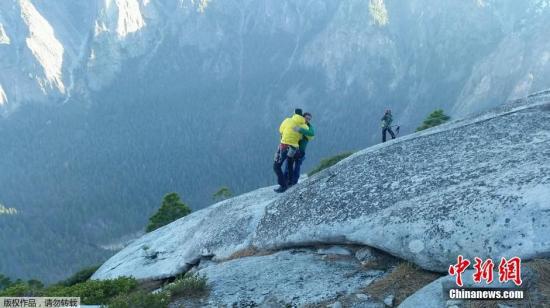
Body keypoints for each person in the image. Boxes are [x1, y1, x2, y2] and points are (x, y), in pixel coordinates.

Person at [273, 108, 308, 193]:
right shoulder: (304, 125)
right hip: (294, 148)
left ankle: (283, 185)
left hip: (284, 146)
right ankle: (291, 183)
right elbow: (305, 136)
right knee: (289, 165)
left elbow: (280, 130)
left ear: (294, 113)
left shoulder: (287, 120)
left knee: (276, 166)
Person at [284, 112, 314, 186]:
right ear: (302, 117)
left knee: (297, 166)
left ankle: (294, 183)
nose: (307, 120)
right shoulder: (298, 123)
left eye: (309, 119)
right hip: (293, 147)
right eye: (306, 118)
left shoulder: (309, 126)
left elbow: (312, 134)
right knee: (288, 166)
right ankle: (285, 182)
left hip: (301, 150)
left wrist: (300, 130)